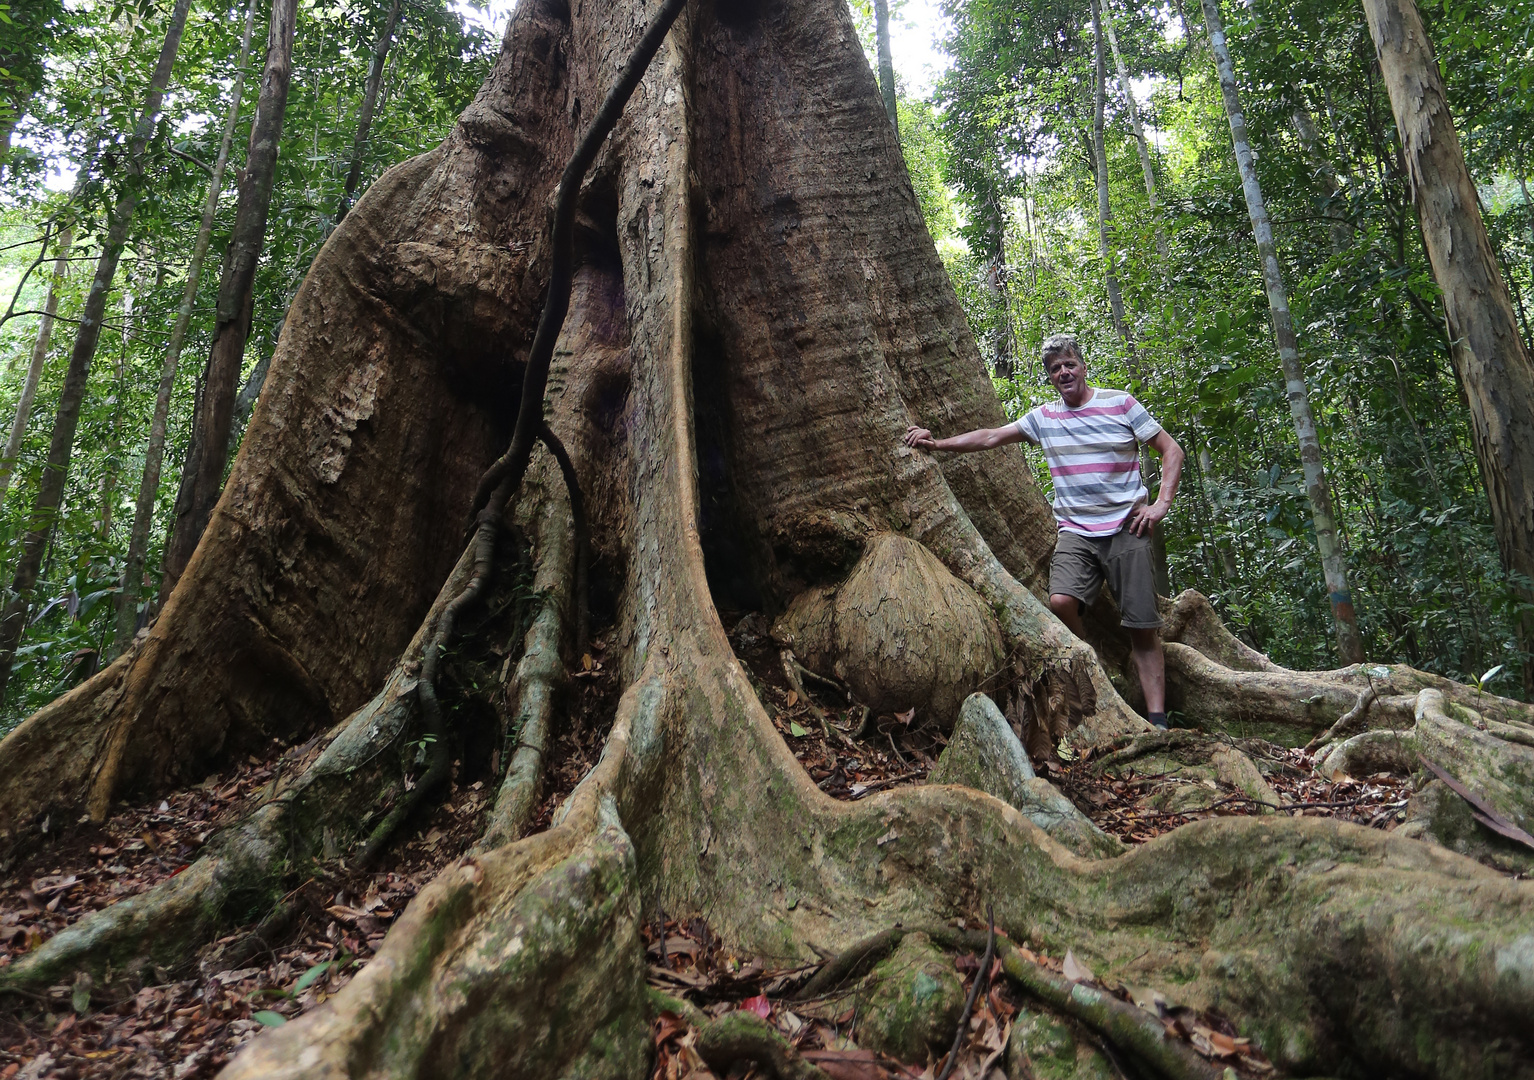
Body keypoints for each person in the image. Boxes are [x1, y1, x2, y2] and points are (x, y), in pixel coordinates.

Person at [904, 333, 1185, 730]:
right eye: (1055, 368)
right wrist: (937, 443)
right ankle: (1090, 662)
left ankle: (1157, 721)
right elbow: (990, 437)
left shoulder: (1120, 403)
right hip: (1077, 532)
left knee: (1142, 626)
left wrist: (1160, 505)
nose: (1064, 372)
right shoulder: (1044, 418)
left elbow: (1171, 450)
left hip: (1127, 526)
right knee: (1059, 601)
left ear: (1083, 366)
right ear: (1050, 378)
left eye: (1069, 364)